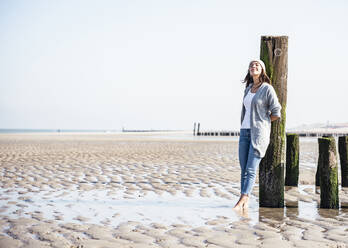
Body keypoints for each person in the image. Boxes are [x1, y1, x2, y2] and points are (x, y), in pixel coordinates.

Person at [233, 59, 281, 211]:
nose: (253, 67)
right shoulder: (248, 89)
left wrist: (264, 123)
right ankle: (245, 202)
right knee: (243, 168)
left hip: (258, 133)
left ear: (262, 70)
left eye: (257, 65)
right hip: (244, 132)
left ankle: (243, 198)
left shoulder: (267, 88)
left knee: (251, 169)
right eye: (251, 65)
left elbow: (276, 112)